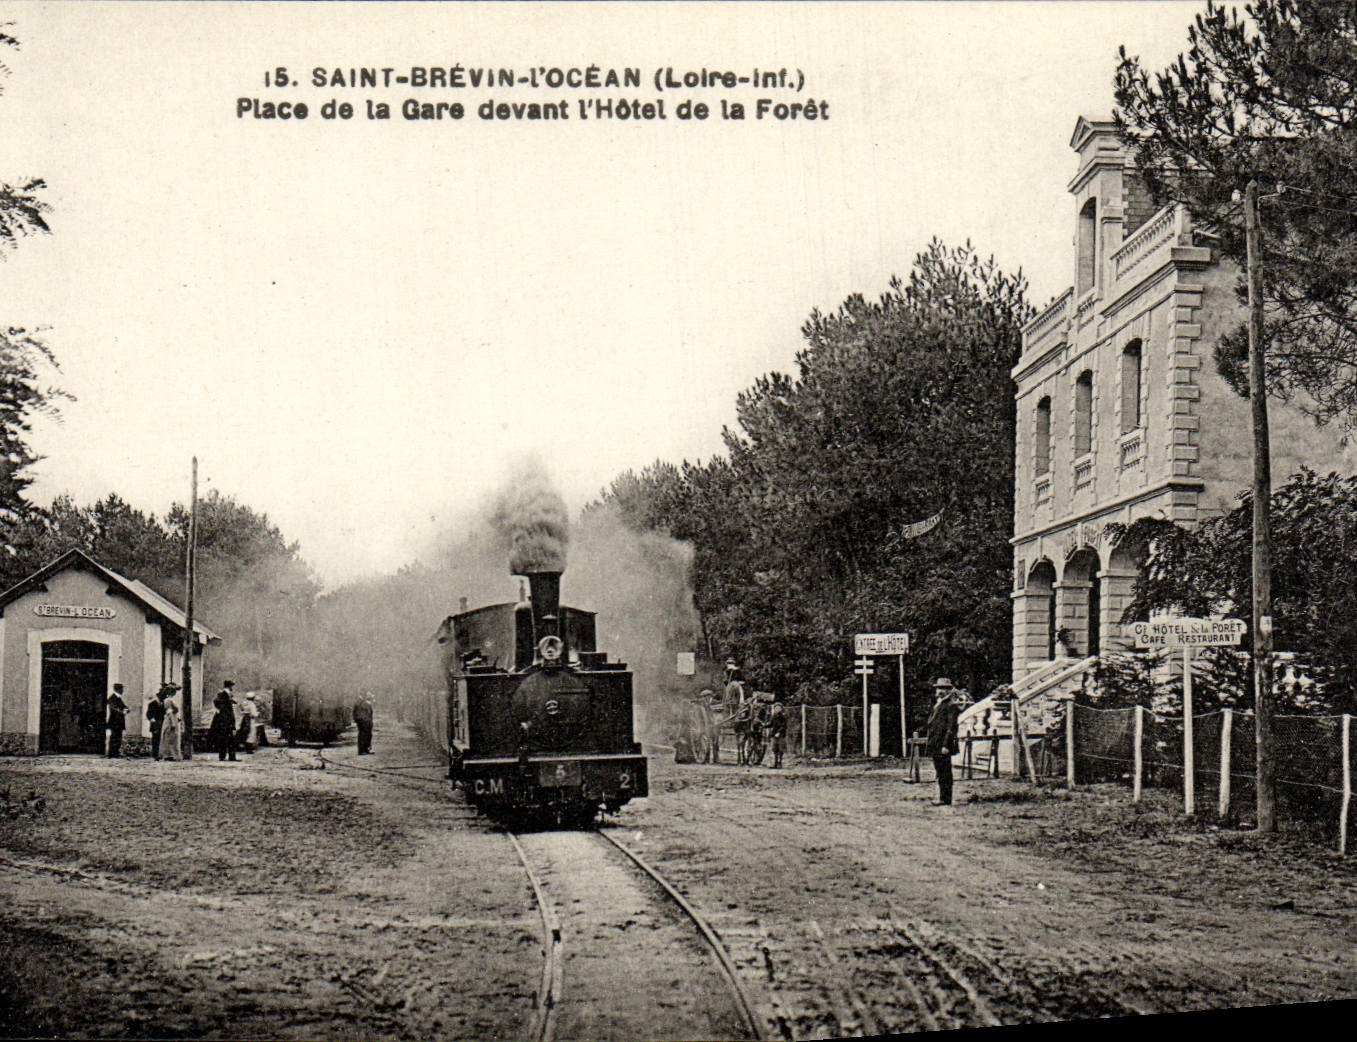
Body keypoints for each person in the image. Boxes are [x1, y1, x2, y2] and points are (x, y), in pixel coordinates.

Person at [925, 677, 962, 807]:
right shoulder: (939, 704)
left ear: (949, 691)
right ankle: (942, 797)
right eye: (939, 688)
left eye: (944, 689)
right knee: (940, 770)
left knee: (945, 771)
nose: (941, 691)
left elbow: (951, 728)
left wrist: (946, 745)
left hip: (943, 744)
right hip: (936, 742)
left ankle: (945, 799)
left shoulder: (951, 705)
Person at [211, 681, 238, 762]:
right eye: (231, 686)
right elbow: (217, 703)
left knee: (227, 738)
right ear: (229, 687)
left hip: (226, 719)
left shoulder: (224, 695)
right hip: (225, 720)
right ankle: (226, 756)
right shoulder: (223, 695)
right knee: (226, 738)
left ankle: (228, 756)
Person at [158, 685, 184, 761]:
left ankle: (170, 754)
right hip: (170, 720)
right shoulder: (168, 700)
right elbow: (169, 712)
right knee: (170, 737)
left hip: (173, 718)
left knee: (172, 737)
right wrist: (172, 723)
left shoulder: (170, 700)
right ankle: (169, 754)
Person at [106, 683, 129, 758]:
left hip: (119, 722)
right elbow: (114, 708)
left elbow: (125, 707)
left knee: (118, 737)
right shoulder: (112, 698)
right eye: (121, 689)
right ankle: (112, 753)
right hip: (114, 721)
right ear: (118, 689)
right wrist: (122, 711)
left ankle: (115, 752)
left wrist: (126, 709)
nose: (123, 690)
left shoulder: (119, 698)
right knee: (114, 737)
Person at [145, 685, 167, 759]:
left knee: (161, 739)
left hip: (162, 724)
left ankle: (160, 753)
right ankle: (155, 754)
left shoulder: (163, 704)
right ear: (159, 696)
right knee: (155, 739)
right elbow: (148, 714)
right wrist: (152, 720)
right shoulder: (152, 704)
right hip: (155, 724)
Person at [767, 694, 788, 769]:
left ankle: (780, 763)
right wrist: (764, 725)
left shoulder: (783, 716)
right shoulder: (774, 716)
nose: (777, 709)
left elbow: (784, 726)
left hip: (781, 735)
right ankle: (775, 763)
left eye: (778, 708)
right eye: (776, 708)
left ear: (781, 709)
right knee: (775, 749)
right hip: (774, 734)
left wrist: (779, 732)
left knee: (780, 749)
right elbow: (771, 724)